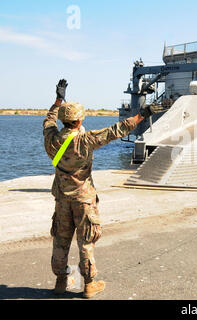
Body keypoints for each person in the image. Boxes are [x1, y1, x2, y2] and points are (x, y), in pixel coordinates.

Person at [43, 79, 151, 298]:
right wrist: (142, 115)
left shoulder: (51, 139)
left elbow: (48, 120)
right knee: (86, 242)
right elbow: (116, 130)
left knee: (61, 241)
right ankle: (89, 284)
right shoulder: (85, 140)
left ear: (65, 120)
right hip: (84, 200)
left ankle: (61, 281)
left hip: (62, 200)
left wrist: (58, 100)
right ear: (79, 120)